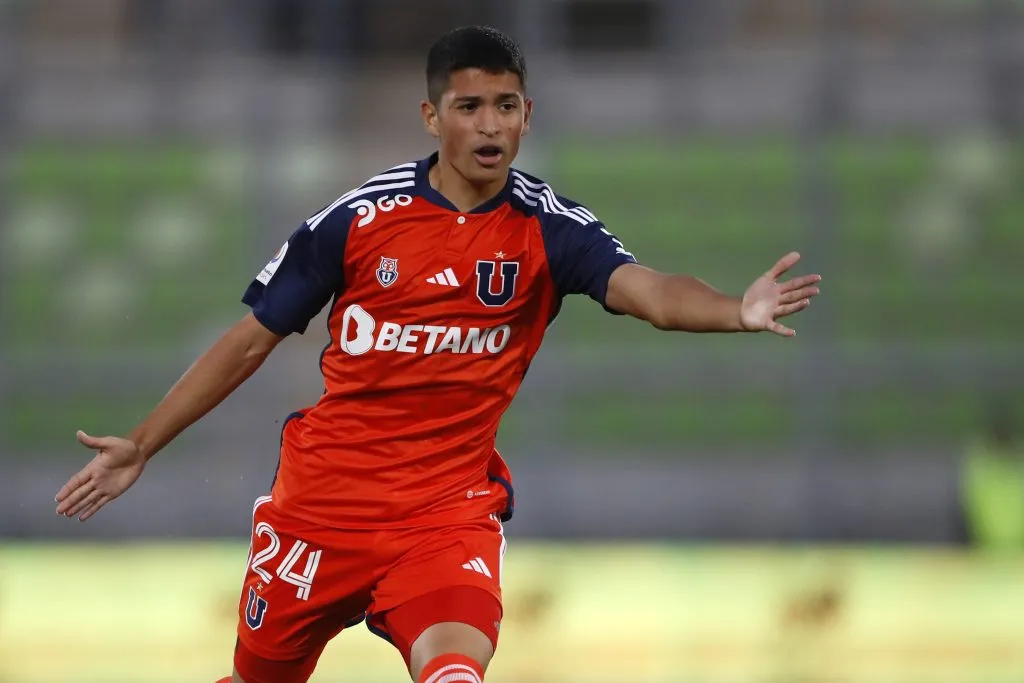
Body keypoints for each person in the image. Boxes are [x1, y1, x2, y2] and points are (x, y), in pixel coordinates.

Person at [53, 25, 822, 683]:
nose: (490, 125)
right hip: (320, 510)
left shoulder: (548, 228)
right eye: (470, 107)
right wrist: (143, 443)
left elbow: (648, 291)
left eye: (507, 106)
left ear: (527, 116)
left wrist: (737, 310)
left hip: (442, 516)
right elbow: (250, 339)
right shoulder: (357, 222)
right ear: (432, 116)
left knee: (455, 670)